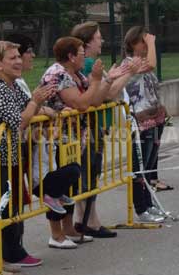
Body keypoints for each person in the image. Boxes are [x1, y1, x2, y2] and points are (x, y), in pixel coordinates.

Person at [0, 41, 57, 275]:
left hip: (6, 157)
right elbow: (21, 120)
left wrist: (39, 105)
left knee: (4, 208)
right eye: (12, 58)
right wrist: (36, 102)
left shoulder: (12, 85)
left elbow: (28, 110)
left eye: (19, 56)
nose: (19, 61)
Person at [40, 36, 131, 243]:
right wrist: (97, 80)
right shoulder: (58, 74)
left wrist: (107, 80)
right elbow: (81, 104)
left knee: (71, 184)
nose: (84, 57)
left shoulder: (77, 75)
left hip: (76, 139)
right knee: (58, 185)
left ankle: (69, 228)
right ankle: (56, 233)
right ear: (71, 56)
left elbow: (95, 102)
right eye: (81, 53)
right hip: (58, 139)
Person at [70, 22, 134, 238]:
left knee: (89, 172)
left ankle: (84, 218)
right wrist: (128, 73)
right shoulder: (89, 64)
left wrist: (120, 75)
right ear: (88, 42)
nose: (102, 41)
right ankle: (90, 221)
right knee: (89, 172)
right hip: (92, 126)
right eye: (98, 37)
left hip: (95, 126)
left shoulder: (90, 63)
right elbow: (108, 94)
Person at [122, 26, 168, 224]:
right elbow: (151, 65)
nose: (146, 45)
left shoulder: (142, 62)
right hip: (140, 123)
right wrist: (151, 42)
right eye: (142, 41)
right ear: (133, 43)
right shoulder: (130, 64)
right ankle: (141, 208)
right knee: (139, 167)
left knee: (149, 166)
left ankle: (149, 203)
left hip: (155, 119)